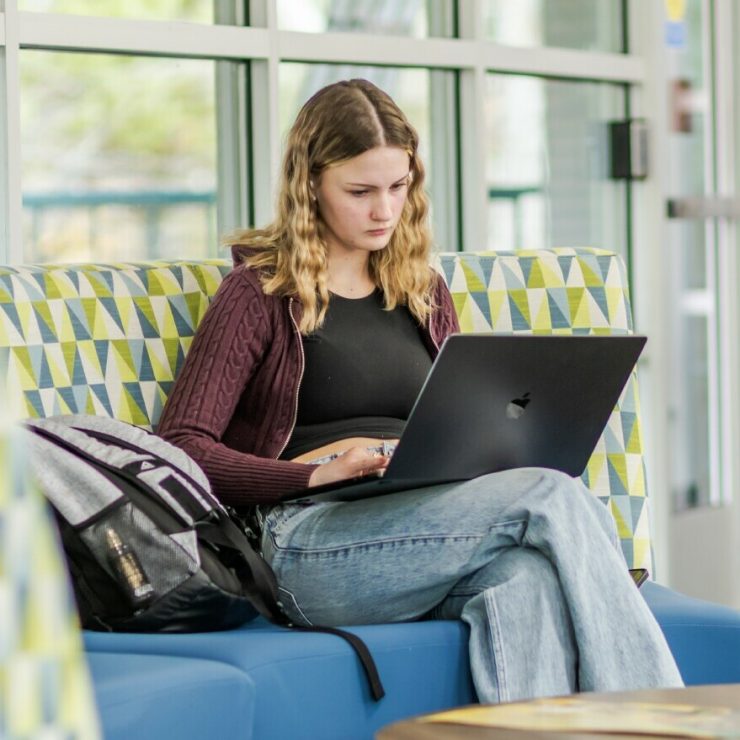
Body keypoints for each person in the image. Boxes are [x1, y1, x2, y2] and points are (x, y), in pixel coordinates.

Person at [157, 78, 683, 702]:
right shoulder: (258, 295)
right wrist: (313, 476)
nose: (384, 210)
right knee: (552, 492)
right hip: (305, 542)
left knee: (524, 578)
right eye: (361, 191)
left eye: (398, 187)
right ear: (310, 186)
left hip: (418, 523)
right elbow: (180, 450)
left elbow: (461, 416)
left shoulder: (422, 290)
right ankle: (659, 714)